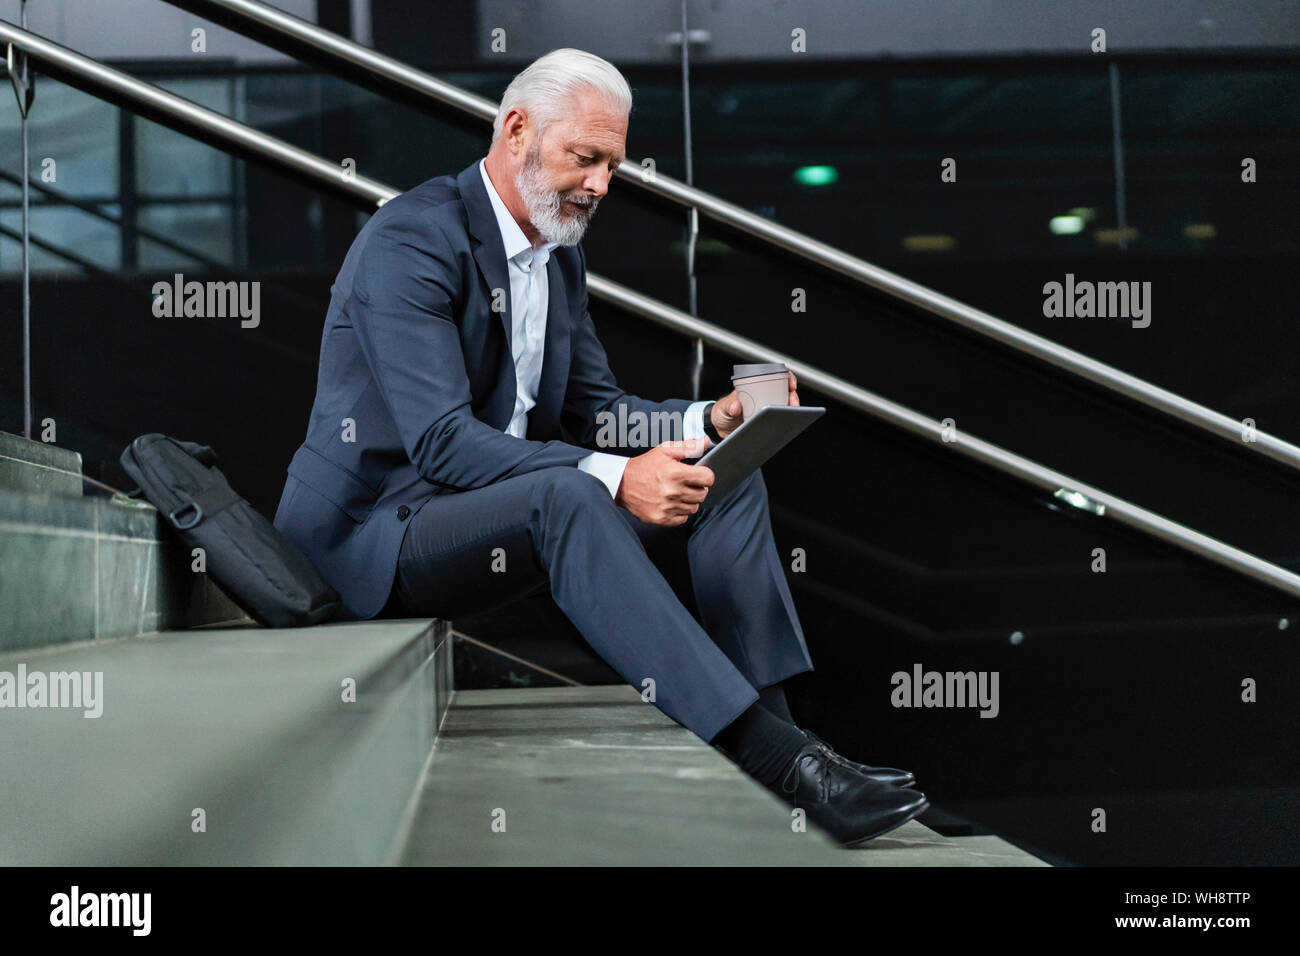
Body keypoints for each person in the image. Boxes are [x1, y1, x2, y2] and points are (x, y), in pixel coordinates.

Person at [273, 47, 928, 847]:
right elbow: (443, 443)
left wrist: (710, 424)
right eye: (585, 158)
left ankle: (790, 746)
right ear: (516, 131)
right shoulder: (411, 239)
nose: (601, 185)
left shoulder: (558, 257)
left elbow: (596, 413)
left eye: (612, 164)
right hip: (379, 535)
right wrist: (621, 479)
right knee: (572, 493)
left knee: (722, 478)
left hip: (490, 514)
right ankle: (774, 760)